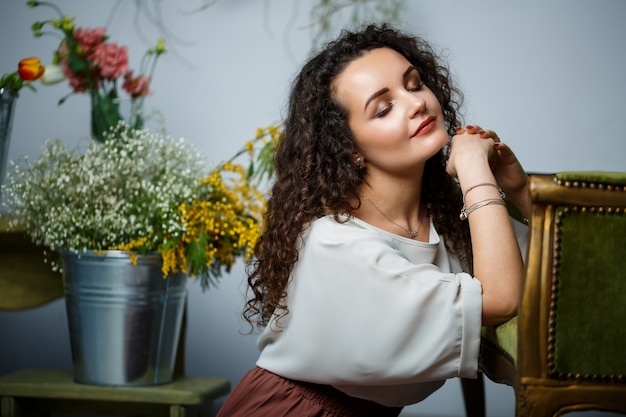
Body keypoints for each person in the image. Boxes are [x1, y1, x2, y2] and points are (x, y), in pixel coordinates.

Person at [217, 23, 530, 417]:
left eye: (415, 85)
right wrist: (473, 168)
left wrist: (519, 190)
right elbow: (502, 298)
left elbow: (549, 266)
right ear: (350, 149)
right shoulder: (336, 245)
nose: (416, 103)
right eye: (384, 109)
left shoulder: (444, 219)